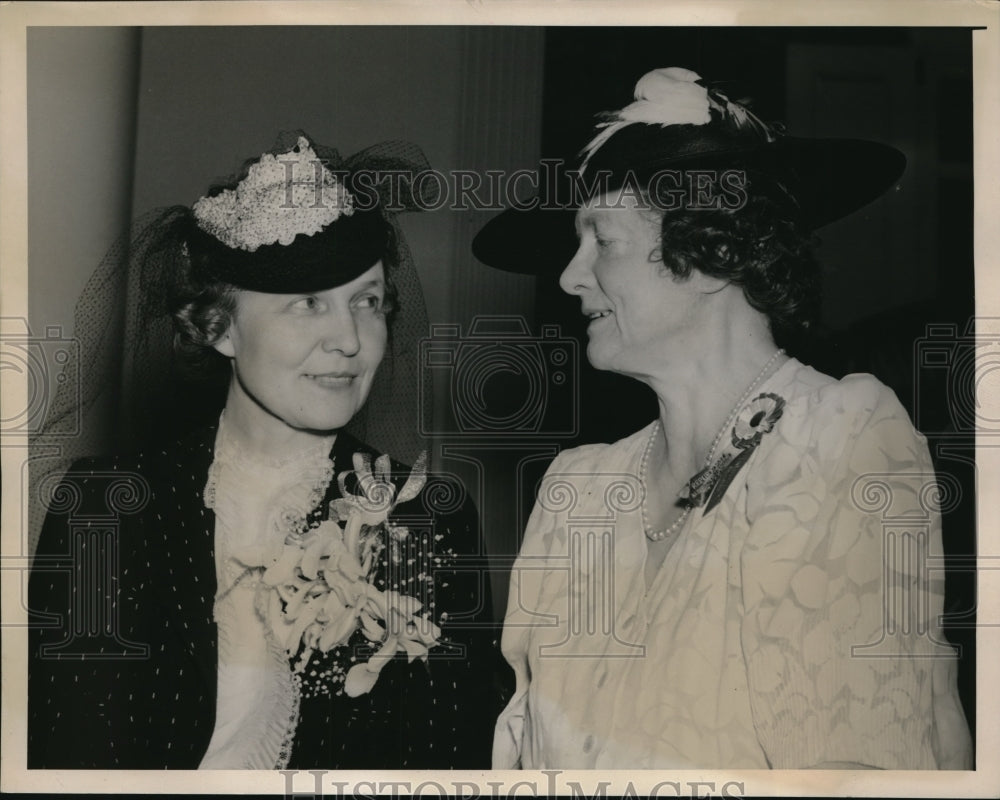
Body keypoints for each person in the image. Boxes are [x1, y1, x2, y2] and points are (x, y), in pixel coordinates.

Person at [473, 68, 972, 769]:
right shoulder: (576, 489)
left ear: (712, 253)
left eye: (602, 241)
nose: (568, 277)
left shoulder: (836, 434)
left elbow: (848, 772)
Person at [28, 133, 497, 769]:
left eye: (366, 301)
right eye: (308, 303)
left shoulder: (427, 516)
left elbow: (444, 759)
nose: (350, 340)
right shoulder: (106, 507)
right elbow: (66, 749)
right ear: (217, 327)